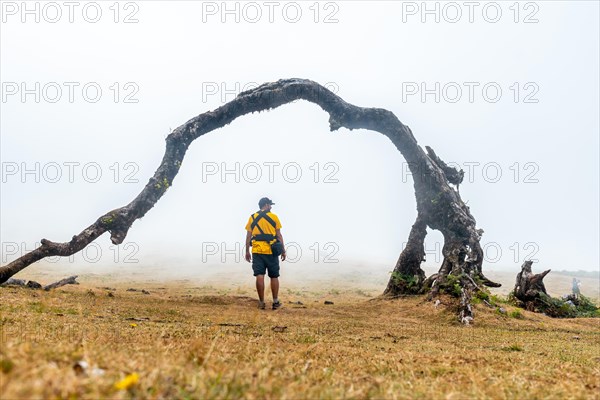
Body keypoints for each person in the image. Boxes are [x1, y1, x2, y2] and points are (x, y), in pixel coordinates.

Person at [245, 197, 286, 310]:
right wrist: (283, 250)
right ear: (266, 205)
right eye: (270, 205)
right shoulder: (274, 217)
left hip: (257, 251)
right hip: (271, 251)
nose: (271, 207)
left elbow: (248, 236)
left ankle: (262, 302)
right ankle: (275, 302)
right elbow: (279, 235)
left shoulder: (252, 217)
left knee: (259, 275)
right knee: (274, 276)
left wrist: (247, 251)